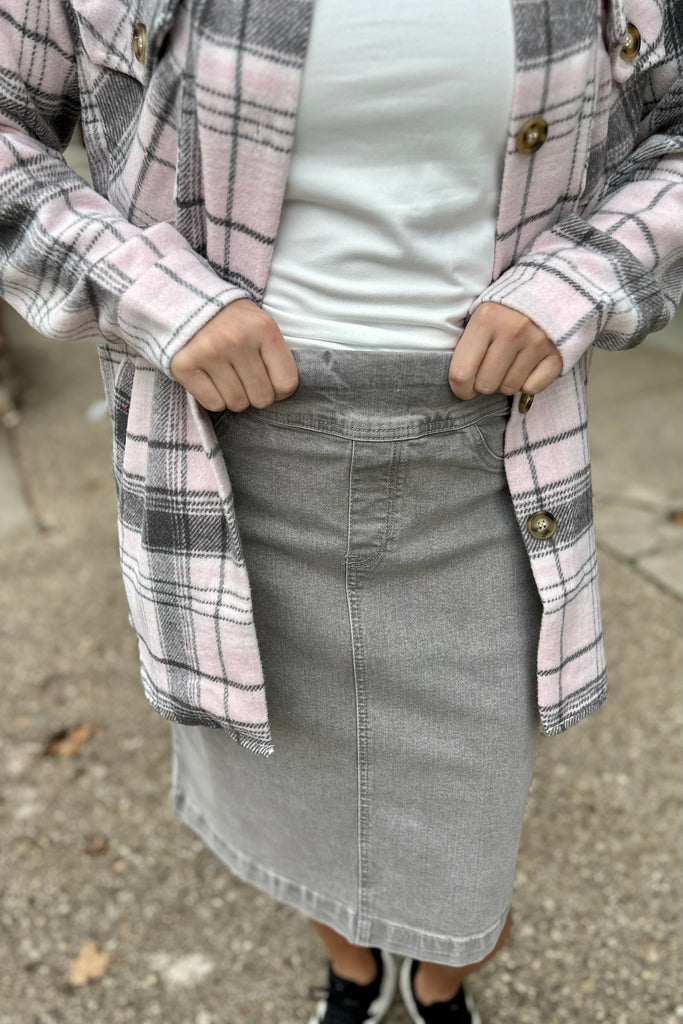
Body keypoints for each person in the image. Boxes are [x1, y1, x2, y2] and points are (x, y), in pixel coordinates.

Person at [0, 1, 681, 1022]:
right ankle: (353, 977)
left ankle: (438, 988)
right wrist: (150, 296)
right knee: (292, 807)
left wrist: (581, 278)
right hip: (230, 461)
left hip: (487, 459)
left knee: (468, 847)